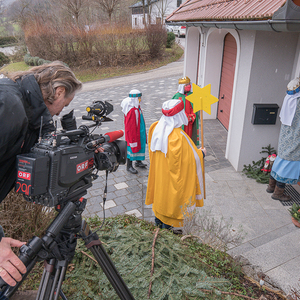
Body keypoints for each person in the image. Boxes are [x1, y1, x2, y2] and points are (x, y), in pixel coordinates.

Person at [0, 61, 82, 286]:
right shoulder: (9, 107)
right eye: (65, 104)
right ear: (59, 92)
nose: (62, 111)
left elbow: (37, 139)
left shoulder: (22, 104)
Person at [145, 99, 205, 230]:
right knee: (170, 208)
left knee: (161, 205)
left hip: (160, 180)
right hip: (172, 185)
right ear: (180, 114)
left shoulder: (155, 128)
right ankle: (168, 231)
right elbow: (190, 160)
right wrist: (202, 154)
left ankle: (158, 226)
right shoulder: (179, 137)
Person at [267, 77, 300, 201]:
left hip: (285, 137)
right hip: (295, 137)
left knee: (280, 160)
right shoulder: (298, 101)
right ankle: (278, 193)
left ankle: (271, 186)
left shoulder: (289, 98)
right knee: (288, 164)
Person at [121, 89, 147, 174]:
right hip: (133, 133)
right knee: (131, 147)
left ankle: (138, 161)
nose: (140, 99)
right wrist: (132, 136)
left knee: (141, 143)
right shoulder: (131, 110)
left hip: (139, 130)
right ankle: (129, 166)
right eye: (139, 98)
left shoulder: (136, 107)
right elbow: (130, 126)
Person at [172, 76, 199, 146]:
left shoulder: (192, 95)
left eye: (189, 84)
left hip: (190, 121)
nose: (188, 86)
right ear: (182, 86)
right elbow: (174, 109)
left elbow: (195, 107)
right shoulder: (177, 96)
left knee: (189, 138)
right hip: (181, 122)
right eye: (186, 85)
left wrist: (191, 116)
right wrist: (185, 116)